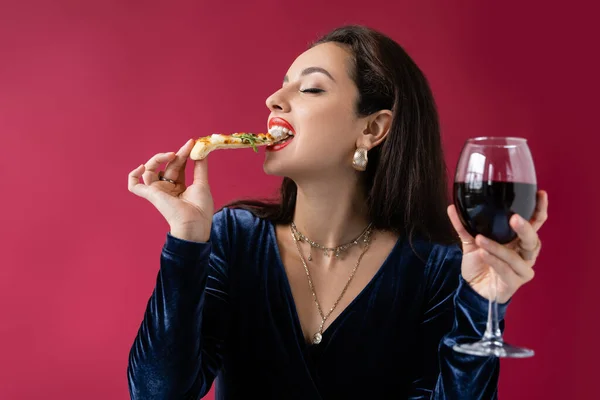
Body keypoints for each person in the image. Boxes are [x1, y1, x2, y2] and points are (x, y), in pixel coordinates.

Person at [126, 25, 548, 399]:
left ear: (372, 129)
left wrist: (481, 304)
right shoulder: (233, 238)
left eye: (310, 88)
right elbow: (158, 393)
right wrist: (186, 240)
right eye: (282, 85)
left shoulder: (435, 267)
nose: (273, 99)